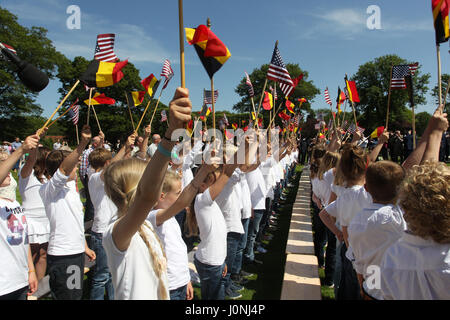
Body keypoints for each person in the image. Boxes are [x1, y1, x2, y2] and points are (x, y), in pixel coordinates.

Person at [101, 87, 191, 300]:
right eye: (148, 180)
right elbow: (147, 196)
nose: (158, 184)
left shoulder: (146, 225)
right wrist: (169, 135)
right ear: (137, 188)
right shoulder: (116, 232)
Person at [380, 105, 449, 300]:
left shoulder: (393, 255)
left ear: (408, 204)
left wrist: (434, 134)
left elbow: (423, 185)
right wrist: (434, 134)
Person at [39, 125, 96, 300]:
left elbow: (75, 221)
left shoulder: (71, 186)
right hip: (64, 256)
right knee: (69, 296)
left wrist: (84, 246)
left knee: (75, 294)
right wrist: (82, 144)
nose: (77, 167)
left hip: (76, 252)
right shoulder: (49, 190)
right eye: (74, 165)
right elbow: (64, 169)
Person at [348, 161, 406, 300]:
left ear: (366, 188)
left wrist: (363, 288)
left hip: (372, 287)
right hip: (396, 290)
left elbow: (358, 262)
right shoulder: (396, 217)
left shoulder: (355, 222)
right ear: (402, 189)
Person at [0, 133, 39, 300]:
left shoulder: (14, 204)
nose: (9, 172)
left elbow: (24, 241)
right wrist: (21, 150)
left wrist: (30, 271)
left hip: (20, 280)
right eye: (4, 168)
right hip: (3, 285)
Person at [18, 146, 51, 281]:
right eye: (48, 156)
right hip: (30, 219)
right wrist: (34, 147)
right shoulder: (27, 173)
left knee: (43, 254)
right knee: (30, 254)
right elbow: (30, 161)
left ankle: (40, 286)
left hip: (45, 219)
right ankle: (26, 286)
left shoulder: (47, 175)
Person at [80, 132, 104, 222]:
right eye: (100, 141)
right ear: (95, 144)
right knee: (90, 202)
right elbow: (82, 168)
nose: (102, 143)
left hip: (100, 178)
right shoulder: (88, 152)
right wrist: (84, 181)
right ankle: (89, 222)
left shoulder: (101, 151)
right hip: (90, 178)